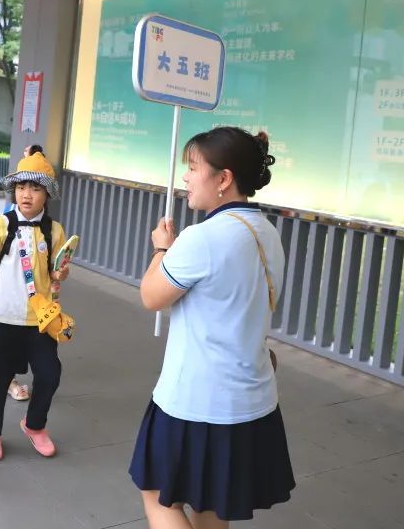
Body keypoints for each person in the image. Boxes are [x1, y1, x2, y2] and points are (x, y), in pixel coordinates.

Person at [130, 127, 295, 528]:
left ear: (223, 179)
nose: (185, 177)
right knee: (210, 508)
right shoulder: (268, 233)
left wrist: (161, 248)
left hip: (194, 401)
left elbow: (152, 295)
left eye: (193, 168)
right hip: (250, 401)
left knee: (157, 496)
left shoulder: (201, 238)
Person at [0, 152, 71, 461]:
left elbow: (55, 271)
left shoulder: (55, 231)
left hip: (41, 319)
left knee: (50, 374)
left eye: (35, 188)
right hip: (3, 316)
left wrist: (59, 275)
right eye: (21, 187)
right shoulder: (1, 225)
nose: (26, 194)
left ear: (46, 194)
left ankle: (35, 425)